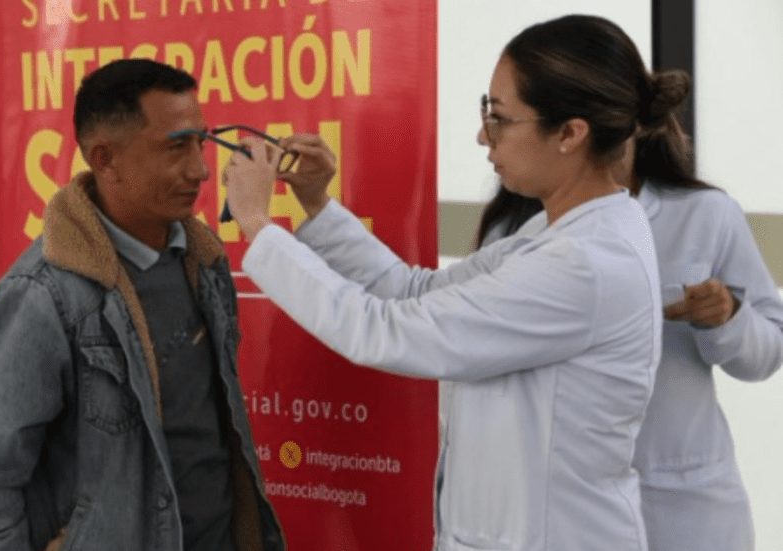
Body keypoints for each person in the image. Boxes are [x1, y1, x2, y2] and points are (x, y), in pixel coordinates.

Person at [224, 14, 665, 551]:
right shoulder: (555, 235)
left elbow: (383, 331)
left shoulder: (586, 264)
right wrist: (317, 203)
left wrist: (258, 227)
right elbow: (413, 293)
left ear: (570, 133)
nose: (483, 135)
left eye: (500, 118)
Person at [0, 59, 285, 551]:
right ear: (104, 160)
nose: (200, 169)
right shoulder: (43, 296)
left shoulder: (204, 260)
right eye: (175, 148)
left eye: (201, 142)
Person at [473, 80, 783, 551]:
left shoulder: (706, 214)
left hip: (686, 507)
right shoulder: (514, 229)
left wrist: (729, 317)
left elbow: (766, 353)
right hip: (563, 507)